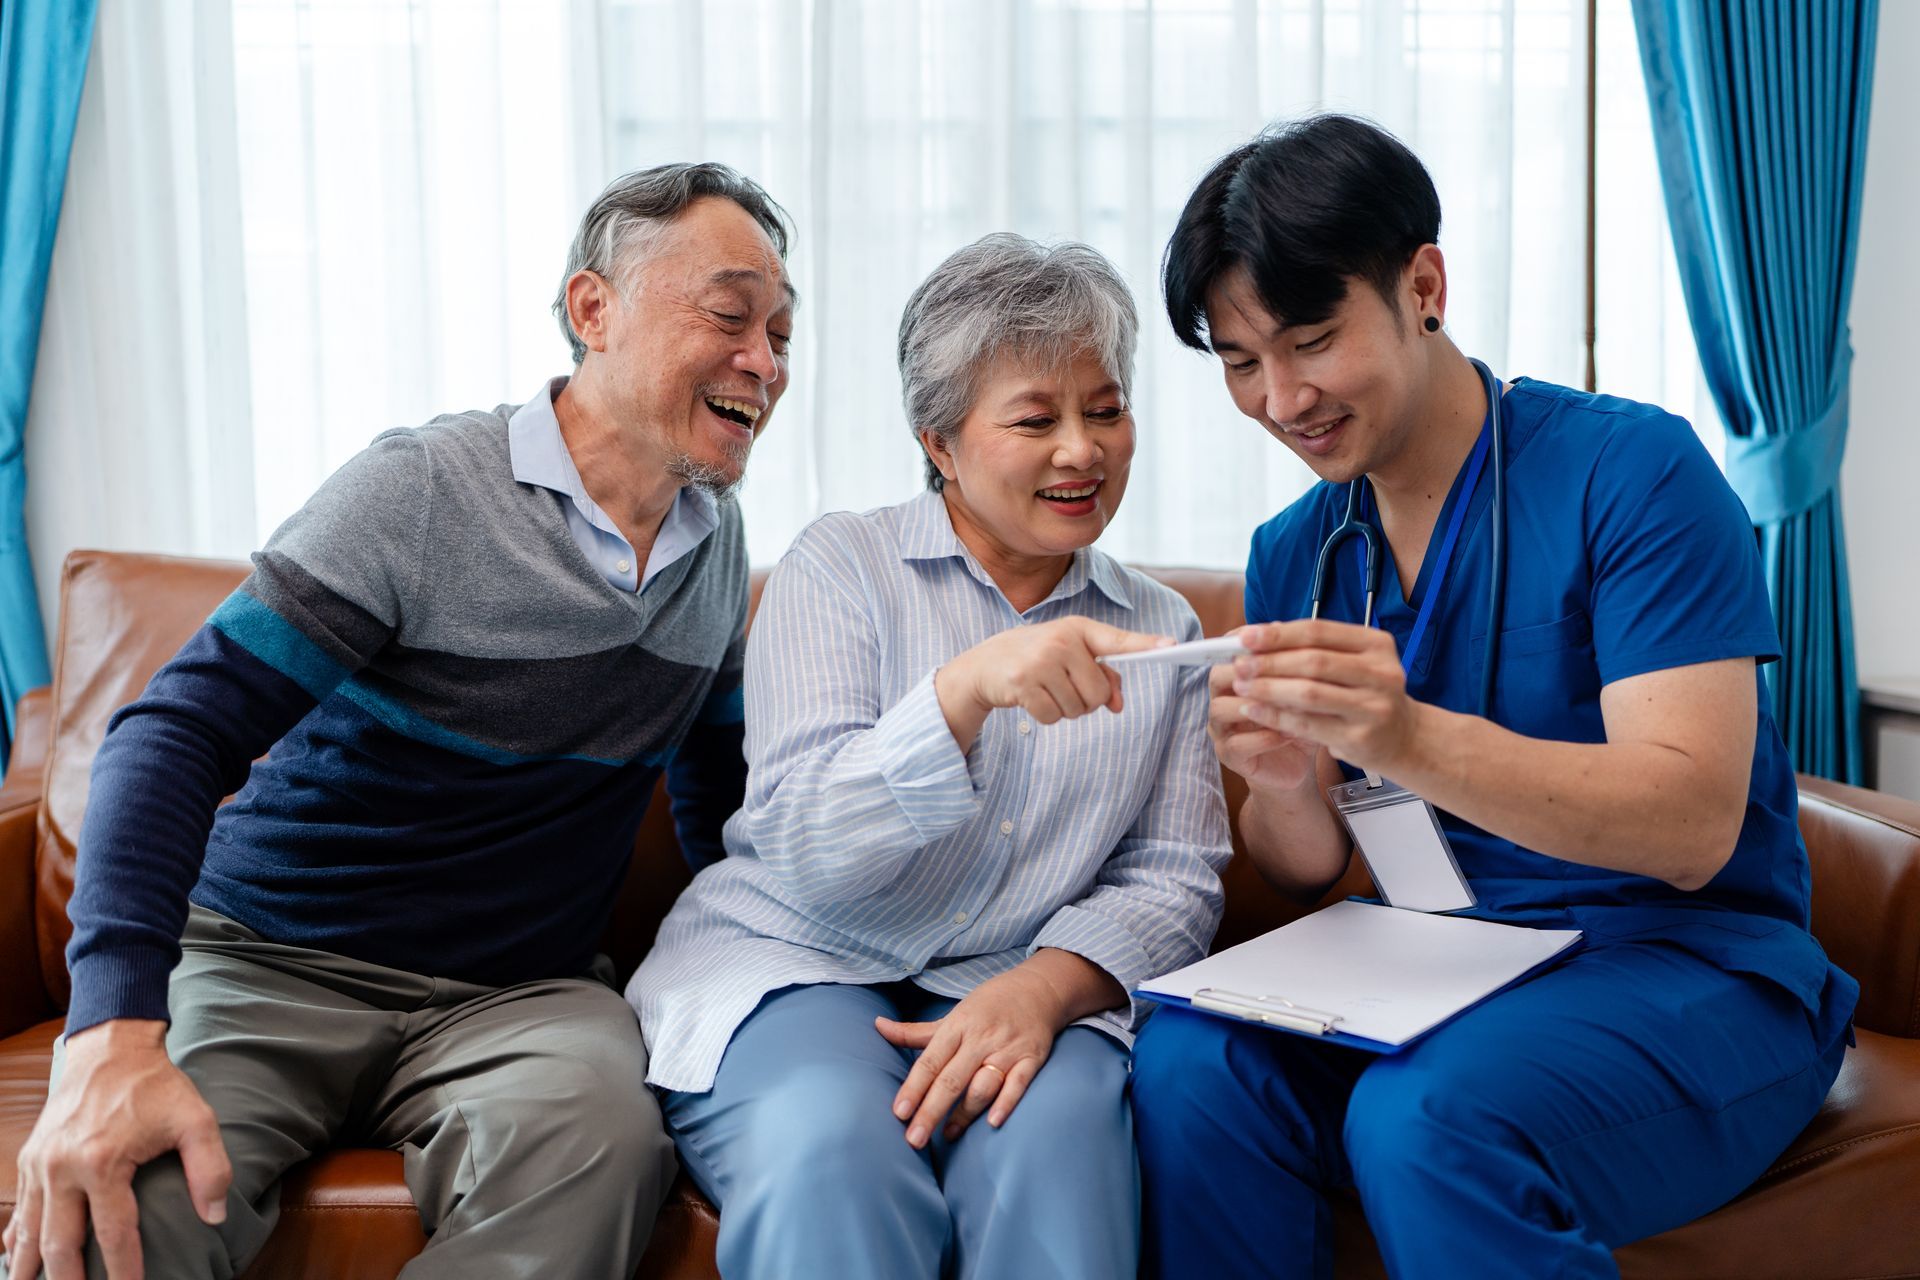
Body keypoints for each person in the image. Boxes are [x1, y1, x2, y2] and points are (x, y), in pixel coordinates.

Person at [3, 162, 794, 1280]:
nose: (764, 362)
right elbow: (172, 734)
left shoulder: (717, 548)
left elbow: (723, 805)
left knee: (608, 1149)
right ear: (593, 309)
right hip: (269, 959)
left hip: (523, 997)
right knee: (123, 1203)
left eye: (782, 333)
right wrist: (110, 1029)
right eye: (729, 316)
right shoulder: (424, 490)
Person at [1131, 114, 1858, 1279]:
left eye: (1313, 338)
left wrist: (1405, 732)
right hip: (1438, 964)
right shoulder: (1302, 550)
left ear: (1423, 284)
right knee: (1184, 1065)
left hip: (1691, 964)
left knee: (1425, 1117)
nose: (1281, 398)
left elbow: (1690, 824)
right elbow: (1308, 864)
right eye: (1238, 362)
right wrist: (1283, 788)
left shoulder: (1634, 474)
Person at [628, 233, 1232, 1280]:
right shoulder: (841, 566)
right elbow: (808, 842)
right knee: (832, 1151)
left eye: (1106, 407)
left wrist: (1046, 989)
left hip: (1019, 976)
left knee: (1060, 1152)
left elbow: (1173, 875)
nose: (1083, 449)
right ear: (939, 441)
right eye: (1036, 419)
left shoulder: (1164, 627)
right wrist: (961, 692)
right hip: (798, 958)